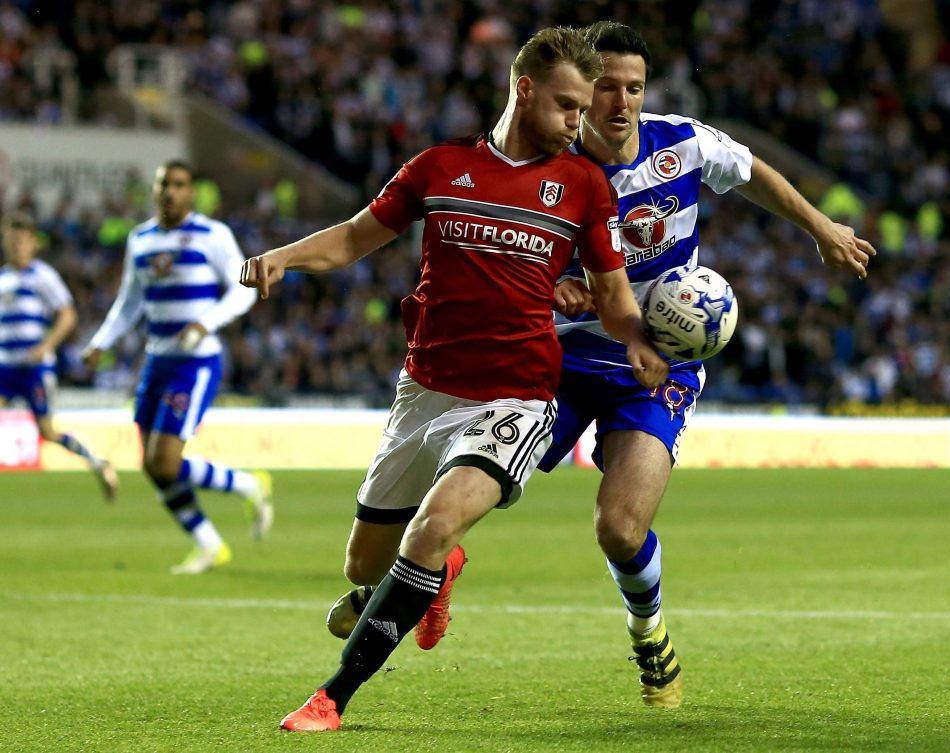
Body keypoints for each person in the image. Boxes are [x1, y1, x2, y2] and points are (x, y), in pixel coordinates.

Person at [240, 27, 669, 732]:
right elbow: (353, 236)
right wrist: (283, 256)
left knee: (431, 526)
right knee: (361, 566)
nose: (579, 121)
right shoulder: (438, 168)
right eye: (567, 105)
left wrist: (638, 341)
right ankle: (435, 575)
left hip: (518, 393)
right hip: (425, 388)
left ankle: (332, 697)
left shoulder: (586, 186)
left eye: (584, 108)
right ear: (523, 89)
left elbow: (614, 296)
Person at [539, 21, 878, 708]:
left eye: (633, 87)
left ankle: (650, 632)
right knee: (480, 479)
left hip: (656, 363)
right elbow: (505, 249)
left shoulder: (684, 143)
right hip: (563, 354)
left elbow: (752, 173)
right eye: (606, 86)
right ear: (580, 89)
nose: (621, 101)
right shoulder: (546, 162)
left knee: (619, 526)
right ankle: (422, 574)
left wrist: (823, 228)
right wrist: (548, 284)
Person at [83, 160, 274, 575]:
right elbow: (130, 302)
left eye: (179, 185)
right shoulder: (141, 239)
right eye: (163, 184)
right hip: (157, 359)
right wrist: (100, 342)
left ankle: (248, 485)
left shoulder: (213, 234)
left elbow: (243, 291)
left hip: (197, 361)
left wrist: (206, 322)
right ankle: (209, 543)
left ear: (191, 193)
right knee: (151, 466)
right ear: (154, 191)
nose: (170, 192)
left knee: (165, 461)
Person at [0, 211, 118, 500]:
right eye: (12, 240)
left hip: (34, 368)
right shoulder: (2, 278)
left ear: (32, 243)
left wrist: (47, 345)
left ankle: (99, 463)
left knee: (48, 433)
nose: (17, 245)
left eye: (22, 240)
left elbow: (67, 314)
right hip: (5, 365)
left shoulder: (43, 276)